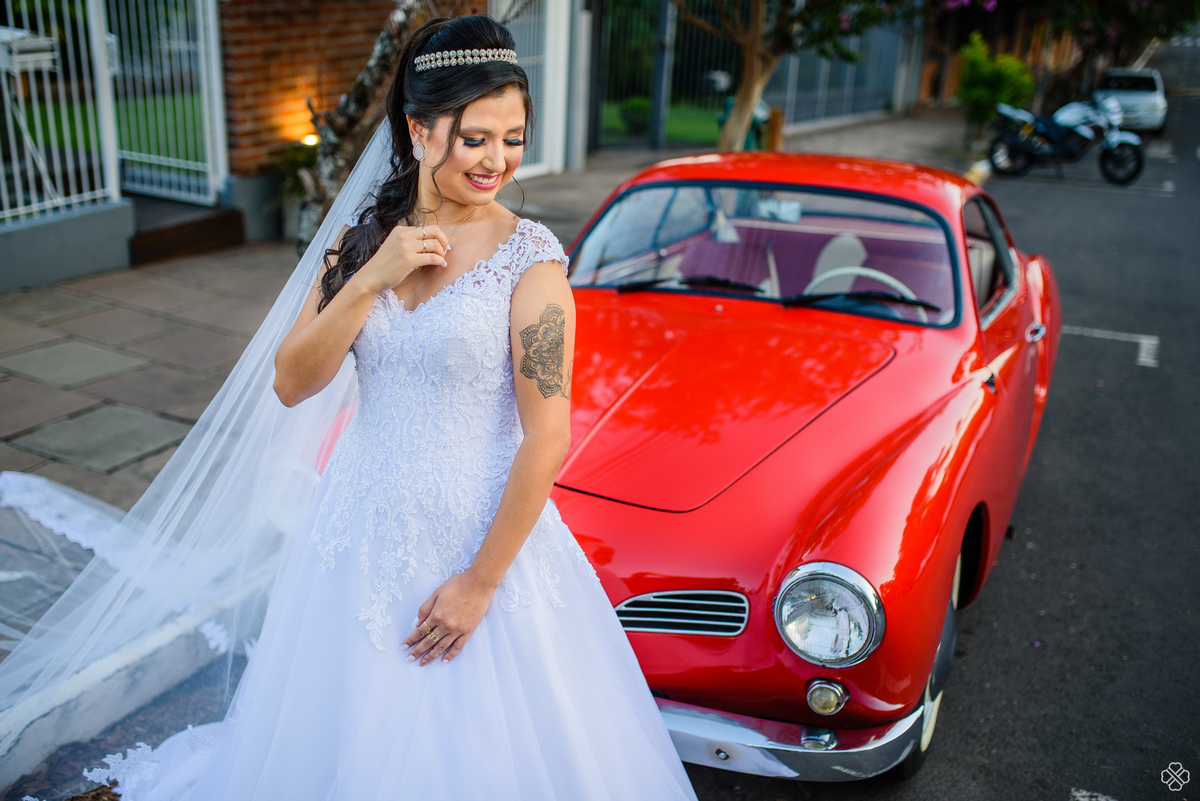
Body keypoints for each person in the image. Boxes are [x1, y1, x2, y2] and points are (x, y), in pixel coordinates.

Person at [0, 14, 699, 801]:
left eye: (513, 137)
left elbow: (547, 435)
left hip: (482, 537)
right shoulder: (361, 242)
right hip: (360, 525)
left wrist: (479, 581)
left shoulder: (529, 261)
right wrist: (372, 276)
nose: (497, 160)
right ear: (419, 128)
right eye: (474, 138)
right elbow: (293, 381)